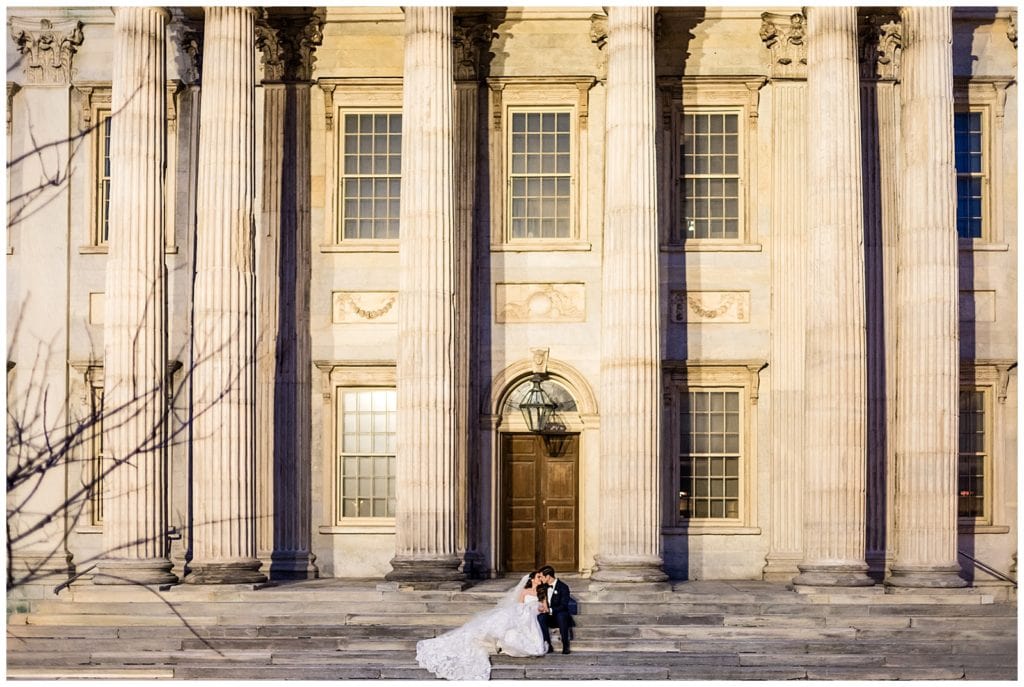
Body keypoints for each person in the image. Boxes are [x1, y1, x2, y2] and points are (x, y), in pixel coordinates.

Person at [416, 571, 548, 680]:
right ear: (532, 579)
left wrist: (536, 607)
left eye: (541, 577)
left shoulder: (542, 592)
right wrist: (526, 609)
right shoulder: (525, 591)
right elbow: (518, 606)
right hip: (522, 614)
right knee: (502, 620)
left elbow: (546, 608)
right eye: (538, 577)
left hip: (531, 617)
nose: (540, 579)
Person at [536, 565, 575, 654]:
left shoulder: (563, 587)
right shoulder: (542, 587)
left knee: (561, 615)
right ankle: (548, 645)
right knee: (540, 617)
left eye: (541, 576)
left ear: (548, 576)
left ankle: (565, 645)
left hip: (559, 614)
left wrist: (550, 610)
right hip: (548, 616)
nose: (540, 579)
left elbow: (564, 605)